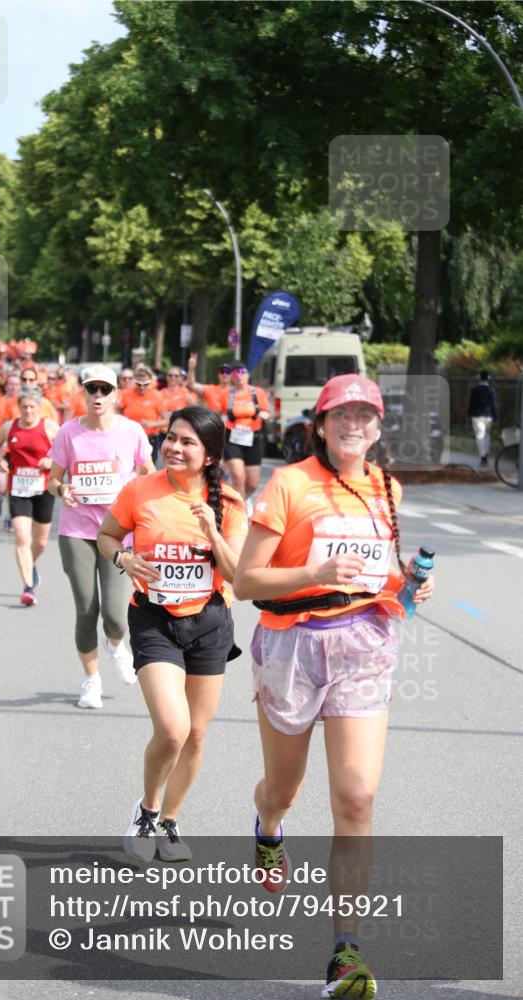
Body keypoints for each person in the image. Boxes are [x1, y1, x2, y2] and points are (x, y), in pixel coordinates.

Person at [233, 374, 434, 1000]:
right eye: (341, 415)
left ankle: (346, 951)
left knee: (356, 797)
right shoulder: (290, 483)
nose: (354, 425)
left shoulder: (385, 487)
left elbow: (376, 573)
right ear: (319, 425)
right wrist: (314, 571)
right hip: (293, 645)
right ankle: (267, 826)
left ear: (378, 428)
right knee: (285, 789)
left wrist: (407, 583)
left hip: (364, 647)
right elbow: (246, 582)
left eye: (366, 416)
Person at [97, 406, 248, 862]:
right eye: (170, 437)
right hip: (154, 618)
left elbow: (238, 574)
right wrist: (123, 559)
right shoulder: (140, 490)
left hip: (208, 623)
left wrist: (211, 532)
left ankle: (169, 822)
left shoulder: (231, 502)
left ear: (209, 455)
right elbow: (107, 536)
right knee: (172, 728)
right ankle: (146, 809)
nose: (174, 447)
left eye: (187, 442)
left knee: (197, 735)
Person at [48, 364, 155, 709]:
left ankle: (115, 643)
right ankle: (91, 680)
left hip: (117, 532)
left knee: (114, 614)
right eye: (91, 389)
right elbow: (53, 478)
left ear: (115, 395)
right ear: (83, 392)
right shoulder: (68, 433)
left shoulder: (132, 432)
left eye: (104, 390)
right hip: (76, 531)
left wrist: (141, 502)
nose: (97, 396)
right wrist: (61, 488)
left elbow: (149, 475)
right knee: (85, 609)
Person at [0, 388, 59, 606]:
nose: (28, 411)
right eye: (24, 407)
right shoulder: (10, 426)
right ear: (19, 407)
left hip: (43, 488)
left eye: (32, 407)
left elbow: (65, 449)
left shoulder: (48, 427)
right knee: (21, 536)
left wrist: (51, 460)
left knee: (41, 542)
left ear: (39, 407)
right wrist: (1, 459)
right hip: (18, 487)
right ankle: (28, 587)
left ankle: (30, 564)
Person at [220, 365, 270, 513]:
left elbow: (266, 411)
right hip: (232, 437)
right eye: (236, 373)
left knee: (253, 483)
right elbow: (220, 413)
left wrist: (263, 416)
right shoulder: (227, 394)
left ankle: (241, 500)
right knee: (237, 475)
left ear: (248, 375)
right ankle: (238, 512)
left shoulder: (257, 392)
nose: (239, 376)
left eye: (242, 372)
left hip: (252, 437)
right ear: (232, 377)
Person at [119, 364, 169, 464]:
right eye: (139, 384)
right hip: (128, 438)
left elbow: (167, 419)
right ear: (134, 381)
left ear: (151, 381)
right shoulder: (126, 394)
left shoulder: (156, 395)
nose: (142, 387)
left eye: (145, 384)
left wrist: (152, 424)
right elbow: (117, 412)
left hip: (149, 439)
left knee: (148, 469)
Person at [468, 370, 498, 467]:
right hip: (488, 416)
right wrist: (495, 416)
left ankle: (483, 457)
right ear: (488, 378)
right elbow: (494, 404)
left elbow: (471, 403)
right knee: (487, 435)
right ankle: (486, 452)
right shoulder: (491, 390)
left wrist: (469, 414)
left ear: (479, 378)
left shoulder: (474, 389)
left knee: (479, 436)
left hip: (476, 416)